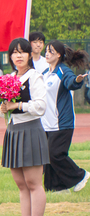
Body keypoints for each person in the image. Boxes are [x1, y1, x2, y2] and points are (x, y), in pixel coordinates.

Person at [0, 38, 50, 216]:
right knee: (21, 183)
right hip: (14, 131)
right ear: (10, 56)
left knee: (33, 182)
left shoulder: (35, 77)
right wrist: (3, 108)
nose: (18, 56)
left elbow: (40, 106)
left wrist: (17, 106)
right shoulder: (9, 77)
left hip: (30, 130)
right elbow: (5, 107)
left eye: (22, 52)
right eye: (14, 52)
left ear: (29, 55)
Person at [41, 40, 89, 192]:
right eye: (46, 51)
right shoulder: (44, 73)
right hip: (46, 122)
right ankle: (56, 188)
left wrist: (77, 81)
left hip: (62, 122)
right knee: (47, 157)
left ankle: (80, 176)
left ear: (59, 55)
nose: (47, 54)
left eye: (51, 51)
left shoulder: (63, 70)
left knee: (56, 154)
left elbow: (70, 82)